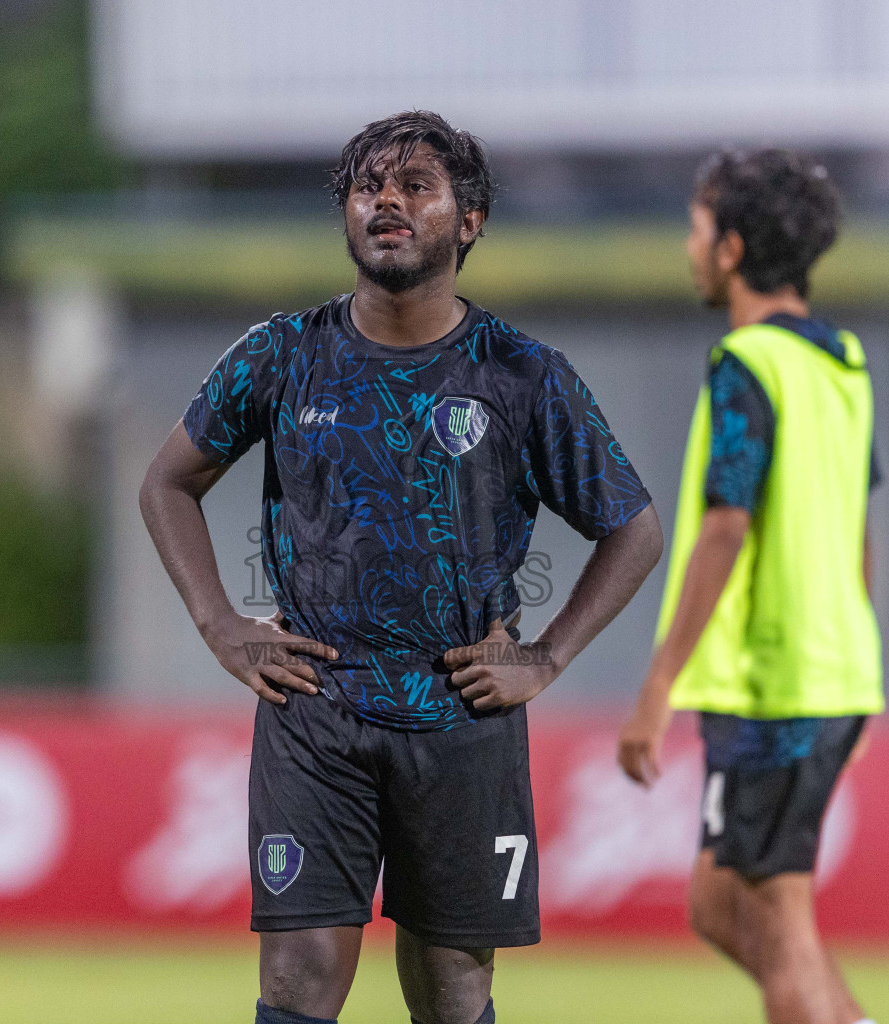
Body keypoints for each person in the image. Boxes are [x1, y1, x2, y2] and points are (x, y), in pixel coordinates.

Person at [140, 110, 664, 1024]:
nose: (386, 201)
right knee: (298, 977)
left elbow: (634, 528)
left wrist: (546, 656)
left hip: (462, 716)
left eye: (415, 186)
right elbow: (166, 484)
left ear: (470, 221)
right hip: (317, 712)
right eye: (367, 186)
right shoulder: (282, 353)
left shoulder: (522, 375)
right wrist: (220, 623)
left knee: (454, 990)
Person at [616, 148, 883, 1024]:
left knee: (779, 925)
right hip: (831, 671)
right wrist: (857, 674)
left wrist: (658, 685)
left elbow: (727, 524)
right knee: (721, 904)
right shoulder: (841, 363)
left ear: (731, 249)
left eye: (697, 230)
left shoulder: (748, 365)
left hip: (775, 681)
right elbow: (856, 529)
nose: (689, 248)